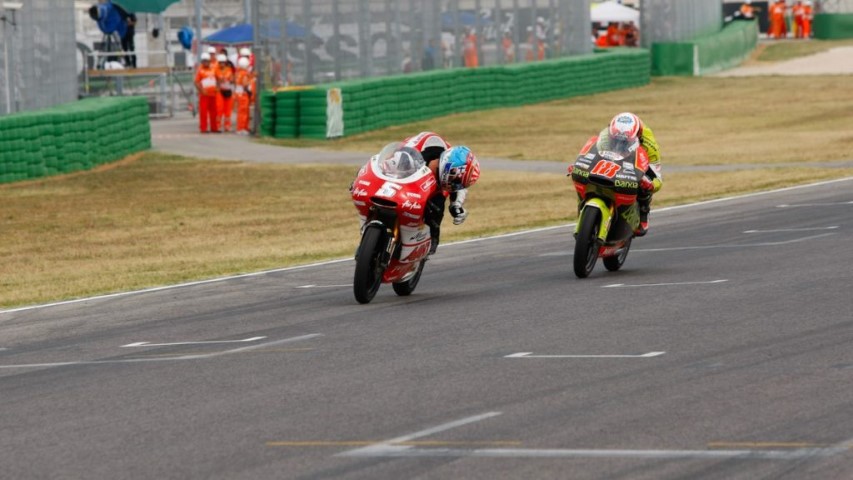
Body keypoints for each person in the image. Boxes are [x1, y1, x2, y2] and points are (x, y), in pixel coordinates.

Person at [401, 132, 480, 254]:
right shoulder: (415, 153)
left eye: (459, 184)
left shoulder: (452, 170)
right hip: (403, 174)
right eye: (457, 181)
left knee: (437, 208)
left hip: (431, 188)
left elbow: (460, 187)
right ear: (451, 168)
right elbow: (387, 160)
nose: (455, 186)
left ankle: (426, 244)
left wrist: (456, 205)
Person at [598, 113, 662, 236]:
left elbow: (657, 178)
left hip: (637, 159)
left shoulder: (649, 145)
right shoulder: (607, 135)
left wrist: (651, 185)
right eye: (615, 139)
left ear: (637, 136)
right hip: (612, 158)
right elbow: (595, 152)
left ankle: (643, 210)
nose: (619, 144)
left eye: (624, 141)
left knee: (645, 183)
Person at [194, 52, 218, 133]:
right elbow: (196, 82)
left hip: (213, 94)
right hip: (204, 95)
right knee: (203, 112)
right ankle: (203, 128)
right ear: (202, 62)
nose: (206, 63)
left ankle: (214, 128)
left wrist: (217, 87)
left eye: (207, 61)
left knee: (214, 112)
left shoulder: (213, 69)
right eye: (204, 61)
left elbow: (217, 79)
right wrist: (201, 91)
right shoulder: (200, 71)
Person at [215, 53, 235, 132]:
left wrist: (231, 80)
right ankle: (218, 126)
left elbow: (232, 79)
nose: (222, 64)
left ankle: (227, 126)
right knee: (219, 109)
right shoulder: (216, 70)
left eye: (223, 62)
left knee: (228, 110)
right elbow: (216, 80)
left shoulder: (229, 69)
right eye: (220, 62)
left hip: (228, 91)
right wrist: (220, 80)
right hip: (220, 91)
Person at [234, 56, 253, 135]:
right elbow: (245, 84)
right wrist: (251, 80)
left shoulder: (238, 73)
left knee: (240, 112)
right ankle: (242, 128)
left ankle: (241, 127)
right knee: (244, 112)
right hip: (243, 95)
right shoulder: (244, 74)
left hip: (239, 94)